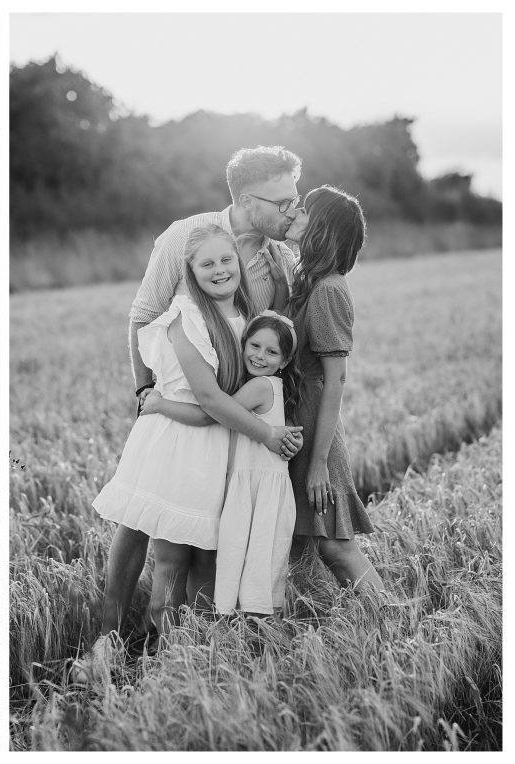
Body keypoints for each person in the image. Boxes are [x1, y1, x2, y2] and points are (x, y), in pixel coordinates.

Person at [98, 146, 305, 657]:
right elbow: (143, 314)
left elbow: (278, 335)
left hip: (229, 422)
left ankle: (182, 642)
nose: (293, 211)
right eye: (283, 202)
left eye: (295, 199)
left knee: (202, 536)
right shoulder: (184, 237)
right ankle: (105, 635)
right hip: (180, 405)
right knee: (144, 519)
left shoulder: (281, 258)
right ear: (249, 199)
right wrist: (146, 391)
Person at [141, 311, 301, 615]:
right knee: (257, 571)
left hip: (254, 496)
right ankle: (251, 643)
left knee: (246, 566)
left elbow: (209, 414)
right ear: (243, 345)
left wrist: (159, 404)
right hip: (262, 494)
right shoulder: (273, 387)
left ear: (284, 362)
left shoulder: (260, 387)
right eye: (254, 346)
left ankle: (242, 640)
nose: (259, 355)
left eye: (271, 352)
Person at [283, 186, 386, 592]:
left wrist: (320, 462)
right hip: (298, 421)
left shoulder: (327, 289)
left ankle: (391, 622)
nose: (294, 214)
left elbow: (335, 378)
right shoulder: (309, 280)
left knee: (336, 546)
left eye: (305, 210)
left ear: (321, 228)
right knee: (304, 543)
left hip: (315, 430)